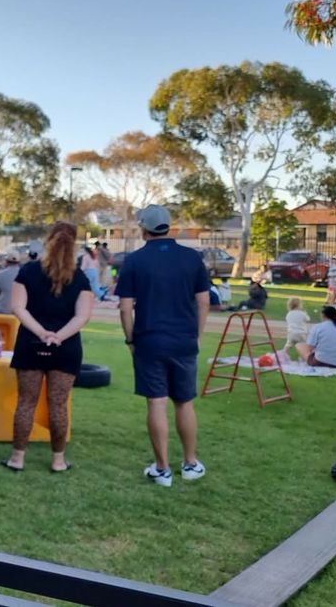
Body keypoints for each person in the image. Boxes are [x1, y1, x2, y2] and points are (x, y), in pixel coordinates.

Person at [117, 204, 209, 487]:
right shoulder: (192, 258)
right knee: (184, 403)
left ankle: (162, 469)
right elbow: (204, 301)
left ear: (143, 228)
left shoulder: (134, 261)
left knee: (156, 402)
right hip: (183, 340)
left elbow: (125, 308)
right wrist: (198, 335)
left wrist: (131, 339)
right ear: (169, 226)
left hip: (150, 340)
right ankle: (191, 464)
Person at [1, 221, 92, 473]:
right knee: (59, 404)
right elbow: (82, 316)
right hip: (66, 347)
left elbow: (17, 307)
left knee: (26, 402)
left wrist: (41, 332)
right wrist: (58, 336)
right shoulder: (81, 277)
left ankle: (17, 458)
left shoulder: (28, 271)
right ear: (74, 244)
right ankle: (58, 460)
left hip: (30, 343)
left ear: (47, 239)